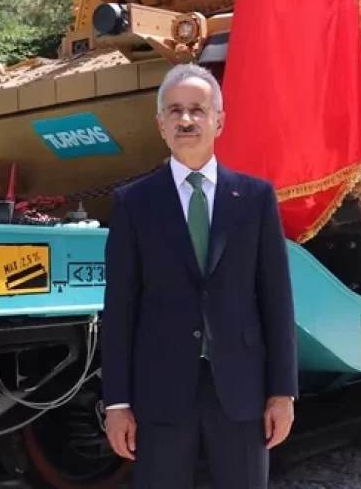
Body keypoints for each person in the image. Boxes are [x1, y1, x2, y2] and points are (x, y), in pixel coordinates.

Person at [101, 63, 299, 488]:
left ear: (219, 122)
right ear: (160, 125)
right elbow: (118, 309)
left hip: (241, 391)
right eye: (174, 111)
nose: (186, 119)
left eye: (197, 109)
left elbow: (277, 301)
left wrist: (283, 392)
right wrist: (116, 403)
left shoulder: (255, 198)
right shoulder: (133, 204)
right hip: (159, 393)